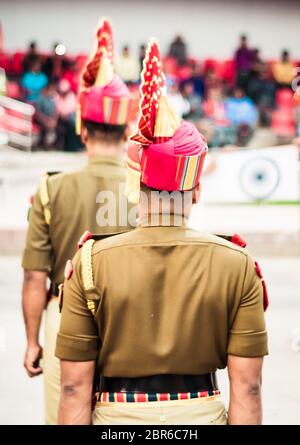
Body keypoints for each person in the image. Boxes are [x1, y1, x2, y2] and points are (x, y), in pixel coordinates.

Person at [56, 38, 268, 426]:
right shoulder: (238, 265)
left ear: (136, 186)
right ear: (197, 190)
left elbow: (73, 387)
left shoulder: (88, 263)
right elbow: (248, 388)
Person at [21, 18, 133, 425]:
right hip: (130, 322)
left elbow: (35, 278)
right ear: (126, 130)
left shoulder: (52, 189)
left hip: (65, 318)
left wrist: (33, 341)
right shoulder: (149, 190)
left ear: (82, 127)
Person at [35, 81, 58, 148]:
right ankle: (44, 144)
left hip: (51, 120)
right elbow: (38, 113)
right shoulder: (40, 99)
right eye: (51, 90)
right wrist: (46, 121)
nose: (52, 92)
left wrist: (54, 120)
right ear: (47, 90)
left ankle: (51, 144)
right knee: (48, 127)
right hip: (42, 120)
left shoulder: (52, 99)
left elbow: (55, 111)